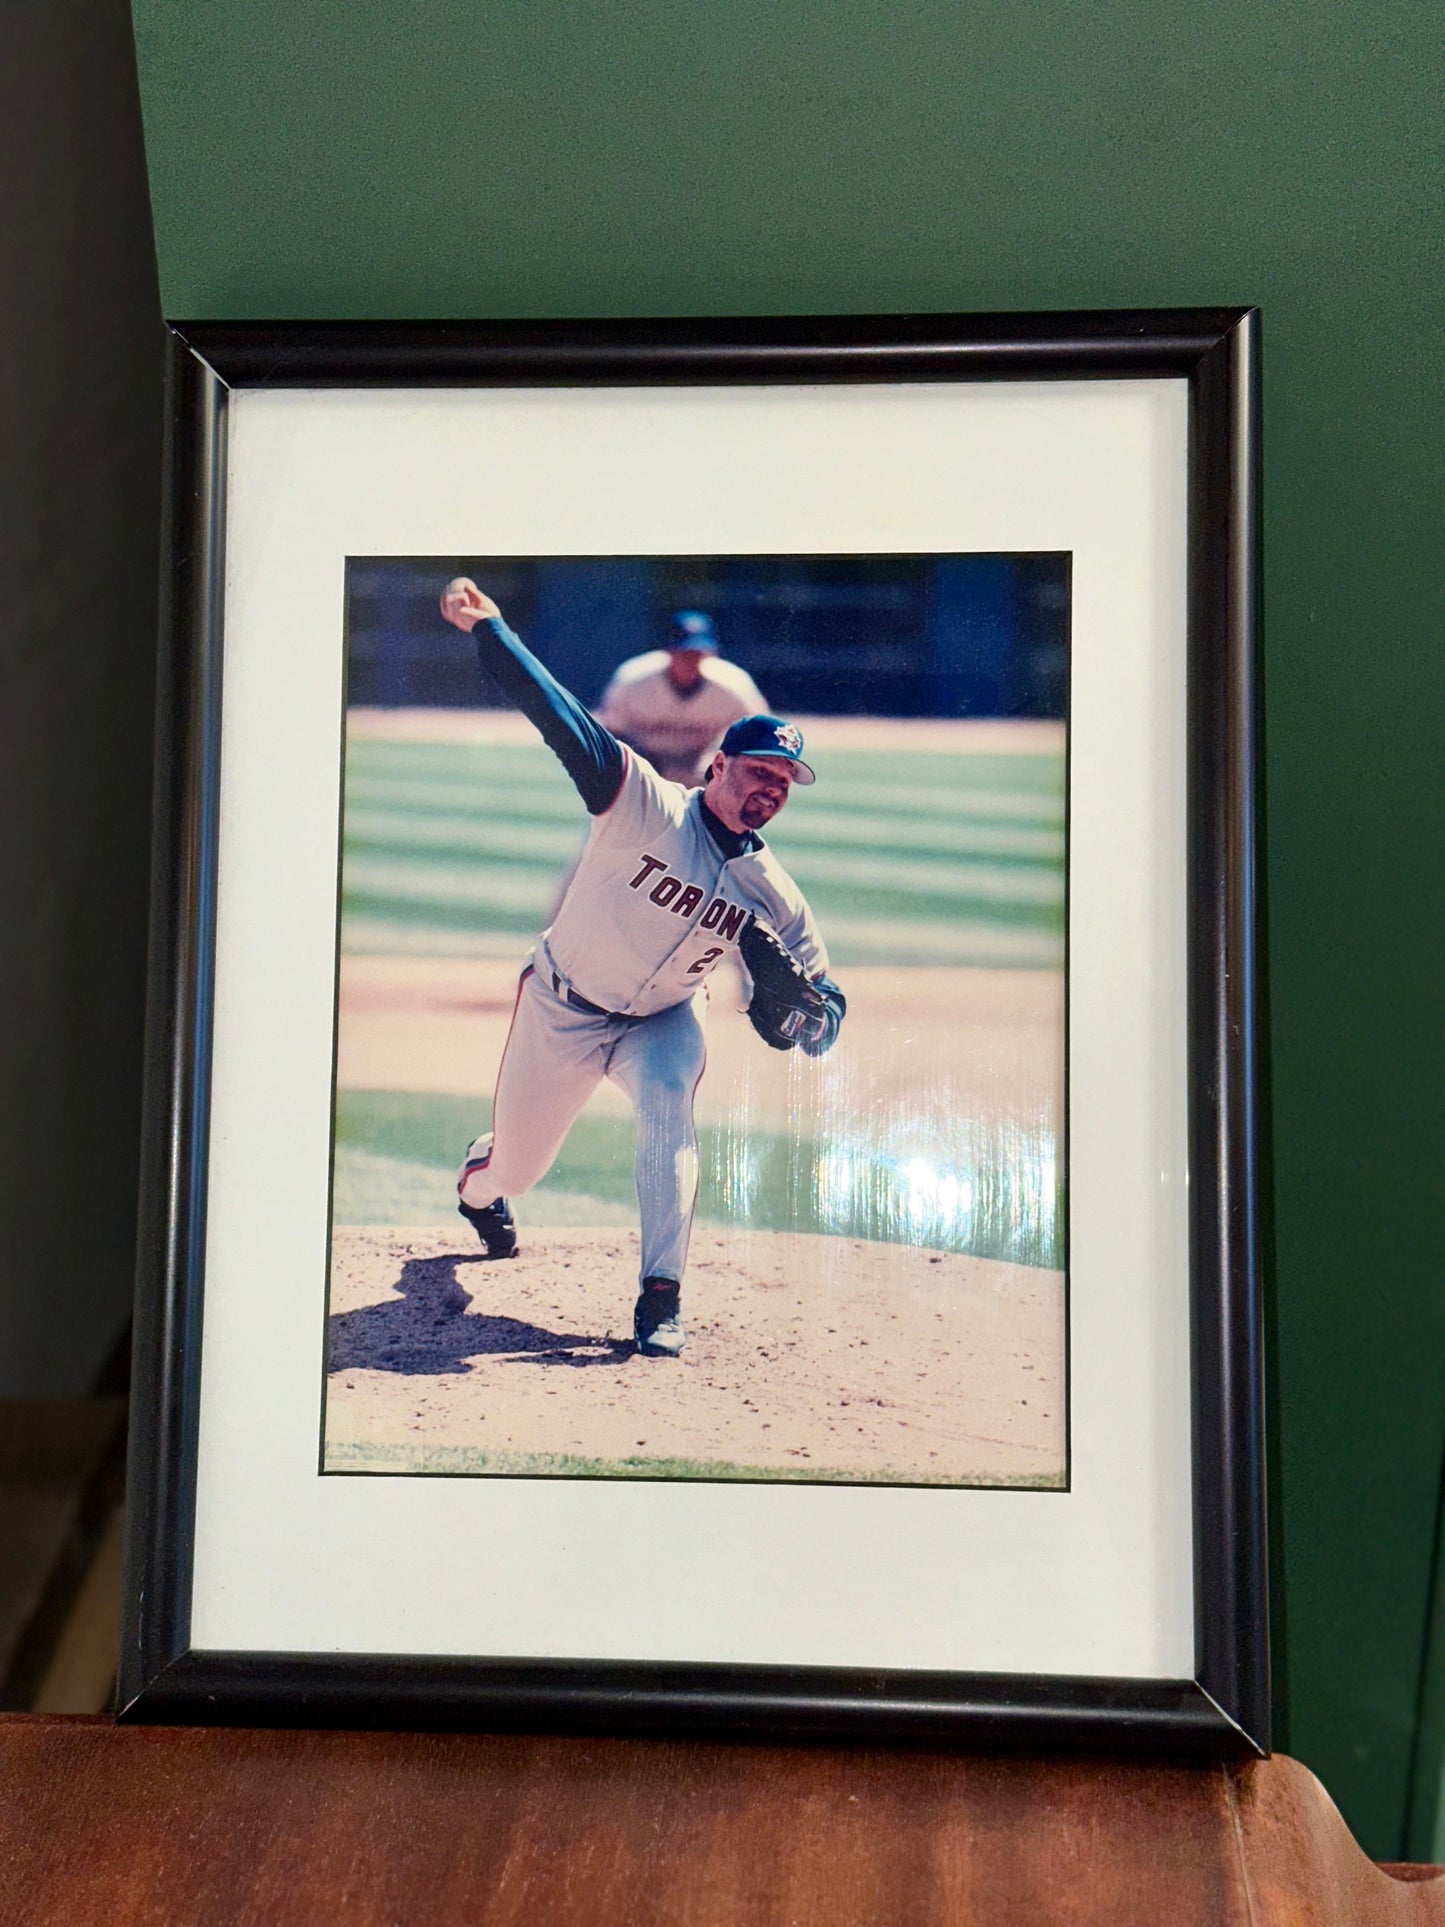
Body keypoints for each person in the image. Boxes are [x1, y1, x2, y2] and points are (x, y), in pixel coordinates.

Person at [438, 576, 845, 1358]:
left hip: (662, 1020)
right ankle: (478, 1181)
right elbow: (559, 717)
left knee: (670, 1115)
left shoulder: (776, 896)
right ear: (717, 765)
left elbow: (825, 1017)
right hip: (562, 1006)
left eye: (782, 783)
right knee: (514, 1169)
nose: (768, 789)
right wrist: (489, 627)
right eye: (757, 770)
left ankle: (660, 1296)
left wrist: (804, 1013)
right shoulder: (644, 805)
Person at [594, 609, 769, 785]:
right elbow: (610, 729)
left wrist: (720, 755)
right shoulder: (633, 679)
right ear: (668, 651)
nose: (691, 660)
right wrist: (639, 759)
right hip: (644, 764)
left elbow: (760, 731)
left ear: (711, 653)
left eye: (697, 653)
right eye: (684, 652)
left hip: (703, 768)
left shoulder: (734, 685)